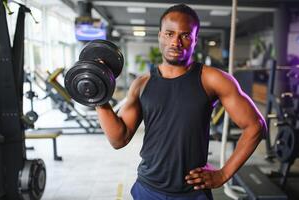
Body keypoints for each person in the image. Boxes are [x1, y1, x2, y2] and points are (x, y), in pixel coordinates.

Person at [96, 4, 266, 200]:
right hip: (148, 188)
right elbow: (119, 139)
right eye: (169, 34)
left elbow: (256, 125)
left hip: (192, 193)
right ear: (160, 35)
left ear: (195, 39)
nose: (175, 42)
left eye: (185, 35)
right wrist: (99, 98)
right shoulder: (142, 84)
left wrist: (223, 174)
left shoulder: (212, 79)